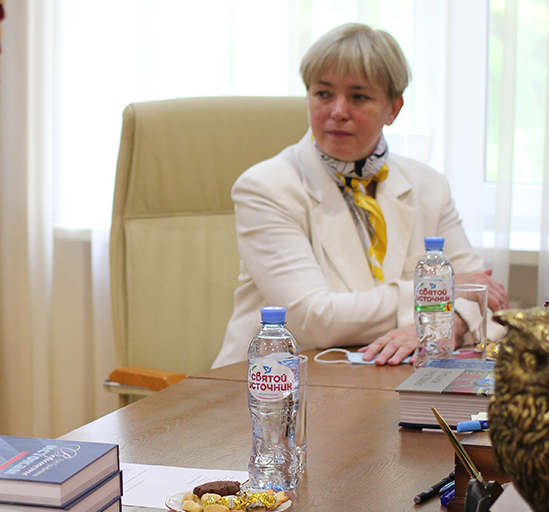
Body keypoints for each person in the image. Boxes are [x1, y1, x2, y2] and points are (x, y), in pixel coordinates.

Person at [214, 23, 509, 367]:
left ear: (393, 108)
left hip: (383, 379)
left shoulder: (429, 186)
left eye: (358, 97)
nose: (338, 111)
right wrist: (434, 295)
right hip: (274, 383)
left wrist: (449, 326)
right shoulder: (267, 187)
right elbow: (313, 318)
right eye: (323, 94)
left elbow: (486, 299)